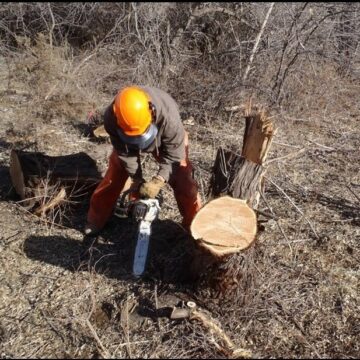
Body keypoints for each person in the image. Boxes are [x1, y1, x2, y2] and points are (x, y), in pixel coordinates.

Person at [84, 85, 202, 235]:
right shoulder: (111, 119)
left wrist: (159, 180)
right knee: (114, 175)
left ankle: (194, 226)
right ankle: (96, 219)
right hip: (126, 144)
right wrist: (137, 179)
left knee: (183, 177)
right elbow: (125, 153)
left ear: (151, 112)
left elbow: (174, 156)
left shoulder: (169, 117)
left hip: (166, 141)